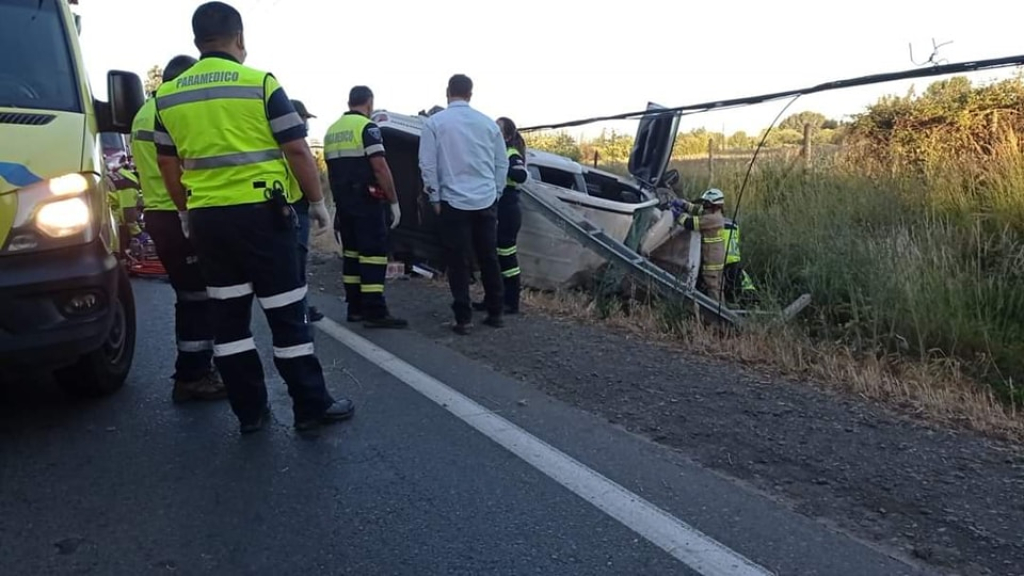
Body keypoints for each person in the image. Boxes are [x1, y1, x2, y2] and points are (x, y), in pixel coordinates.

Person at [153, 1, 354, 434]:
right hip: (264, 218)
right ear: (240, 38)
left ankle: (250, 413)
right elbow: (297, 148)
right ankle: (310, 408)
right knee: (286, 314)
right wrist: (317, 203)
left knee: (229, 321)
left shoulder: (168, 96)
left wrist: (186, 212)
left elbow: (168, 165)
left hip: (208, 222)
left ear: (196, 42)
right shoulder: (259, 82)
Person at [131, 54, 225, 403]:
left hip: (161, 212)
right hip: (179, 212)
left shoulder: (145, 111)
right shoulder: (171, 111)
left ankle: (196, 369)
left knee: (191, 296)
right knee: (197, 298)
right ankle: (193, 375)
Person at [418, 74, 509, 334]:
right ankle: (496, 311)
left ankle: (463, 317)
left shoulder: (435, 123)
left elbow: (427, 164)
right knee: (489, 257)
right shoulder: (488, 125)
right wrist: (496, 193)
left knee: (457, 261)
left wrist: (434, 197)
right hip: (485, 200)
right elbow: (501, 164)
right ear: (471, 93)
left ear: (447, 92)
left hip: (453, 201)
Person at [323, 86, 407, 329]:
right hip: (367, 202)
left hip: (344, 203)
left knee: (351, 255)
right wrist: (393, 201)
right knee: (372, 255)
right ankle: (375, 310)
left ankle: (355, 307)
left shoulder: (331, 131)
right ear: (369, 103)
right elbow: (380, 167)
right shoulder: (368, 128)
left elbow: (331, 172)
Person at [473, 117, 528, 314]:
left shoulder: (511, 153)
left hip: (508, 207)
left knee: (506, 257)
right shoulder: (493, 152)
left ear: (507, 136)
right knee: (492, 256)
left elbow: (521, 175)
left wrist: (509, 169)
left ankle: (511, 302)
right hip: (496, 206)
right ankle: (492, 299)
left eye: (498, 129)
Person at [287, 99, 324, 322]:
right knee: (296, 263)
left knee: (294, 264)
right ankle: (298, 310)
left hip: (293, 207)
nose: (306, 124)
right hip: (295, 209)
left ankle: (299, 307)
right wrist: (317, 203)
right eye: (304, 118)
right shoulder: (293, 144)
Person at [670, 188, 727, 301]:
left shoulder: (712, 219)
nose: (703, 205)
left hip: (712, 259)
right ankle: (722, 307)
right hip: (718, 256)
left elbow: (689, 223)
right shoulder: (714, 213)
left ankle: (716, 313)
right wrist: (684, 204)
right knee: (718, 285)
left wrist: (677, 214)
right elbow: (697, 209)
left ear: (714, 205)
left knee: (712, 285)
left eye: (706, 203)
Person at [721, 218, 759, 305]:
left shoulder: (713, 222)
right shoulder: (733, 222)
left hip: (722, 259)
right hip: (734, 259)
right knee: (735, 286)